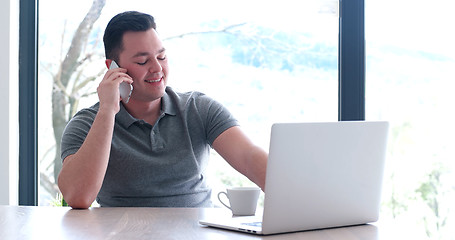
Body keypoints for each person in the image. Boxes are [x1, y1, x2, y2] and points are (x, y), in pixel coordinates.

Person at [57, 11, 268, 209]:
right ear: (113, 67)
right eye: (142, 61)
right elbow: (78, 196)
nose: (157, 69)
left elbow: (249, 158)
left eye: (161, 57)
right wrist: (107, 110)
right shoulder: (86, 124)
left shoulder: (199, 109)